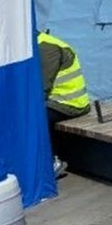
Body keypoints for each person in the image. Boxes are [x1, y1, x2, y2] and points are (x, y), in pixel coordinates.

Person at [37, 31, 91, 176]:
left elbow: (42, 88)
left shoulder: (46, 48)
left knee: (36, 117)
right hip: (56, 100)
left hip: (69, 103)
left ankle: (51, 162)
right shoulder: (39, 44)